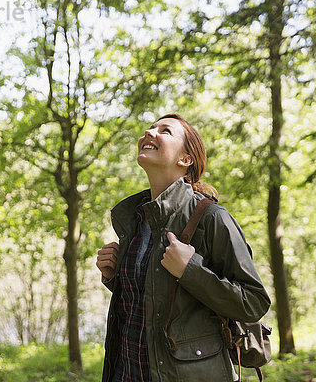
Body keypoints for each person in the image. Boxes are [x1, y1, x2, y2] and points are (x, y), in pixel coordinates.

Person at [96, 114, 270, 382]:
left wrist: (190, 270)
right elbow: (151, 299)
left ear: (185, 159)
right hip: (126, 372)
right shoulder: (136, 220)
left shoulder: (212, 218)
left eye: (165, 131)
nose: (149, 132)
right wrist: (113, 275)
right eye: (151, 128)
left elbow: (253, 301)